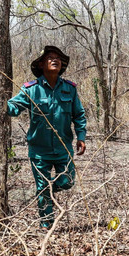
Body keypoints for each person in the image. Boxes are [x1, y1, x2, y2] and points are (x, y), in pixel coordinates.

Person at [7, 46, 87, 229]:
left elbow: (79, 115)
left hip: (63, 148)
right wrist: (0, 103)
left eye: (58, 58)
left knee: (67, 182)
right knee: (42, 187)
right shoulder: (31, 89)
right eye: (50, 58)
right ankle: (46, 224)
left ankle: (48, 191)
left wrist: (81, 136)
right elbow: (13, 108)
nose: (54, 60)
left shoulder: (70, 89)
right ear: (41, 64)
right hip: (39, 150)